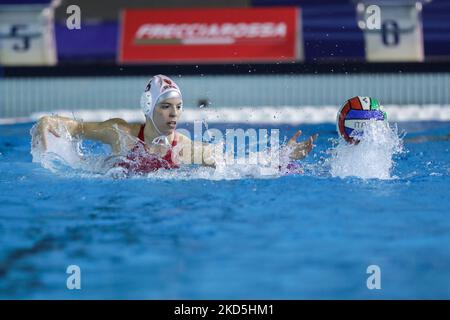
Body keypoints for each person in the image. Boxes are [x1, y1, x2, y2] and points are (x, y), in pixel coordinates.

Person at [33, 74, 318, 174]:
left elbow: (236, 165)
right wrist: (48, 121)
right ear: (149, 107)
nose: (174, 114)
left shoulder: (184, 147)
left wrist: (280, 157)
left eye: (179, 107)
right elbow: (77, 128)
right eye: (166, 106)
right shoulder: (120, 133)